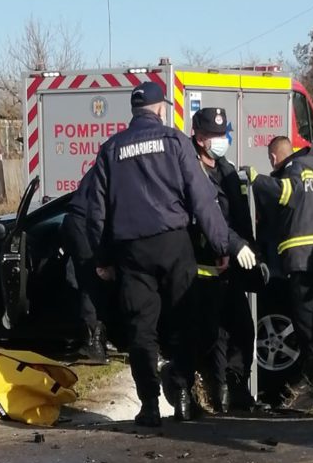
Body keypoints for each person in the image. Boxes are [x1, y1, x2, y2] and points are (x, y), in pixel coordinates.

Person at [85, 79, 255, 427]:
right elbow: (201, 198)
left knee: (141, 329)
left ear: (133, 111)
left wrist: (103, 258)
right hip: (174, 243)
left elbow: (96, 211)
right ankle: (181, 391)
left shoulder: (111, 149)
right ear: (161, 109)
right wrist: (222, 244)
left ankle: (149, 405)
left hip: (131, 251)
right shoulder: (174, 141)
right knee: (185, 320)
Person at [188, 106, 263, 414]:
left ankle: (238, 388)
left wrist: (251, 250)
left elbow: (240, 216)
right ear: (199, 137)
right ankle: (217, 396)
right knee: (213, 337)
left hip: (232, 267)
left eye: (224, 133)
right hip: (203, 270)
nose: (222, 139)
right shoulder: (192, 171)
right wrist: (232, 245)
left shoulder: (226, 168)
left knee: (244, 331)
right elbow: (207, 218)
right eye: (215, 135)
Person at [252, 134, 313, 403]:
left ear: (274, 157)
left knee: (306, 322)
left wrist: (255, 178)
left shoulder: (293, 172)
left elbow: (283, 193)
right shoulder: (312, 169)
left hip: (300, 259)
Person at [60, 165, 109, 363]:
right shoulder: (115, 165)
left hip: (81, 222)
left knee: (93, 279)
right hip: (83, 223)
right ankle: (92, 344)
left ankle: (100, 337)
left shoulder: (111, 163)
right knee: (92, 279)